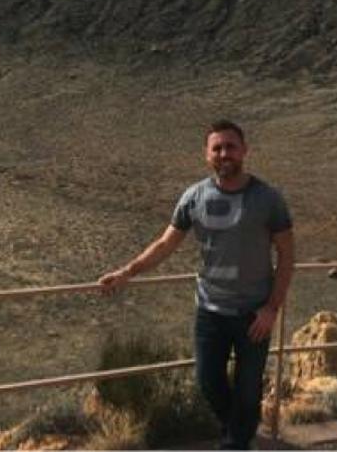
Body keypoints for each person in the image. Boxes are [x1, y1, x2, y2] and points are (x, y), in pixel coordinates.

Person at [98, 119, 294, 450]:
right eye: (216, 148)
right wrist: (126, 272)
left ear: (245, 150)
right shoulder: (194, 197)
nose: (224, 153)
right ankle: (241, 432)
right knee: (207, 382)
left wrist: (271, 308)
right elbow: (164, 245)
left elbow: (287, 256)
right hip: (210, 312)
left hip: (254, 313)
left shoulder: (268, 199)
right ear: (206, 155)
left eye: (231, 146)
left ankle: (235, 443)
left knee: (248, 390)